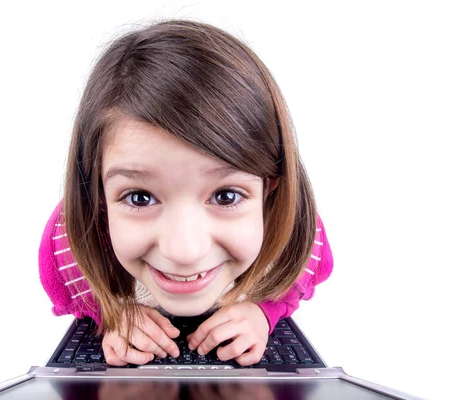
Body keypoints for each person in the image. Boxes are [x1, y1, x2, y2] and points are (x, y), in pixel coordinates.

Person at [38, 19, 333, 367]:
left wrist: (263, 311)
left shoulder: (293, 232)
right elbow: (74, 293)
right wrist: (111, 313)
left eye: (226, 196)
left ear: (271, 190)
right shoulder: (72, 247)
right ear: (98, 198)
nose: (185, 252)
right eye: (139, 197)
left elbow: (295, 280)